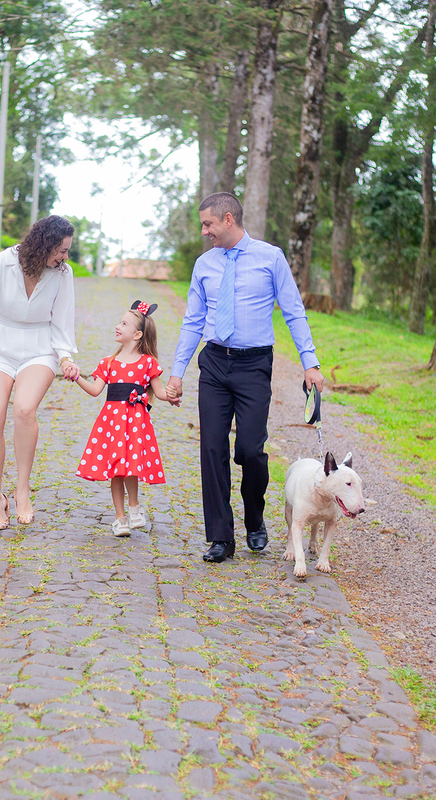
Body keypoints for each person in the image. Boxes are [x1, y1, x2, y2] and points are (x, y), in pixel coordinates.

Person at [166, 193, 325, 563]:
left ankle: (255, 518)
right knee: (212, 449)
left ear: (227, 219)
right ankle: (221, 536)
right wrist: (177, 373)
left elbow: (293, 311)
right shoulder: (204, 264)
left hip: (254, 365)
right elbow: (192, 321)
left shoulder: (270, 257)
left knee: (251, 450)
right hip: (215, 364)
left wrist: (310, 362)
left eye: (207, 224)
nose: (204, 231)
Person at [0, 215, 81, 531]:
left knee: (24, 409)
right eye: (62, 250)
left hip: (40, 348)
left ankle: (22, 489)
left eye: (66, 252)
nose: (65, 257)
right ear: (44, 243)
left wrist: (65, 359)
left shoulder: (63, 274)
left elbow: (62, 323)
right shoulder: (0, 263)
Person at [72, 301, 178, 537]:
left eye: (124, 324)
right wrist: (77, 376)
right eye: (120, 322)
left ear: (137, 334)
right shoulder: (108, 363)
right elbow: (95, 390)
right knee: (116, 470)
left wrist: (171, 395)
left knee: (131, 466)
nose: (117, 326)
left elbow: (159, 393)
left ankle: (134, 507)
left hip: (135, 423)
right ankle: (120, 519)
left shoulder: (148, 363)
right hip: (112, 424)